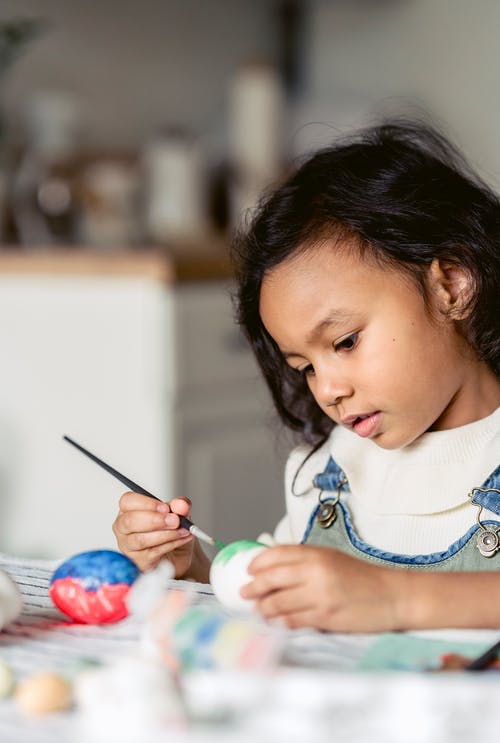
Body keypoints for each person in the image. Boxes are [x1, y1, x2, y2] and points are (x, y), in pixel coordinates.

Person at [113, 121, 500, 632]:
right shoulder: (325, 477)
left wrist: (395, 600)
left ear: (452, 285)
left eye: (344, 342)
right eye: (305, 367)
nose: (328, 389)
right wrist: (190, 569)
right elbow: (274, 598)